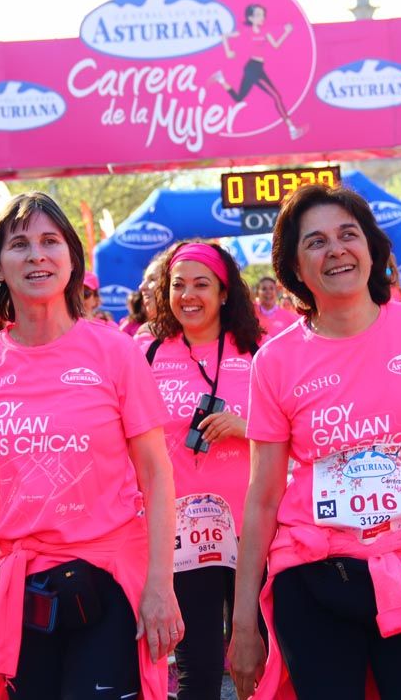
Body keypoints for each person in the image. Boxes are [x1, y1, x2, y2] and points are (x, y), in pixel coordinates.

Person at [230, 185, 401, 700]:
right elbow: (262, 496)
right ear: (296, 269)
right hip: (312, 573)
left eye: (347, 235)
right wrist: (245, 620)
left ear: (371, 249)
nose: (335, 249)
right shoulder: (275, 361)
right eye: (315, 242)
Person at [0, 192, 183, 700]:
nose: (36, 255)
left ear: (71, 258)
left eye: (49, 241)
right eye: (19, 244)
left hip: (111, 577)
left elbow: (156, 474)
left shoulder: (115, 352)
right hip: (21, 586)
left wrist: (160, 585)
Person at [144, 242, 262, 700]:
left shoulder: (257, 351)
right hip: (183, 530)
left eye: (201, 284)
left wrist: (244, 426)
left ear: (225, 291)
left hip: (252, 524)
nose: (188, 295)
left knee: (259, 660)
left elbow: (296, 432)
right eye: (178, 285)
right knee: (198, 669)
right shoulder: (149, 351)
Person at [210, 4, 303, 140]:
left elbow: (276, 45)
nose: (262, 17)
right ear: (250, 18)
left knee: (239, 98)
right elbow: (225, 36)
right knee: (276, 96)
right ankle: (291, 128)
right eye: (258, 15)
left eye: (263, 14)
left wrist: (286, 32)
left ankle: (221, 79)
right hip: (252, 68)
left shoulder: (265, 32)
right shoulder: (246, 31)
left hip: (258, 67)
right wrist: (228, 51)